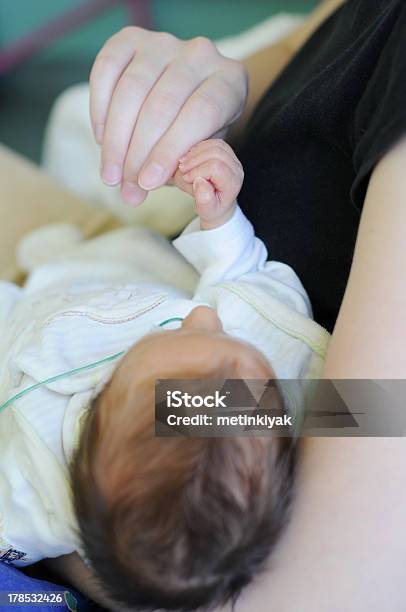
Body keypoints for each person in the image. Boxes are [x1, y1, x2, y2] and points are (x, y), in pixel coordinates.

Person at [22, 0, 406, 609]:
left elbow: (380, 410)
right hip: (141, 245)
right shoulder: (253, 388)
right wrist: (224, 83)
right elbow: (313, 43)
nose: (207, 316)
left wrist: (85, 525)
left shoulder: (270, 402)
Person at [0, 139, 328, 610]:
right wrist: (221, 219)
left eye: (171, 340)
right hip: (108, 272)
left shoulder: (37, 494)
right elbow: (240, 277)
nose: (204, 318)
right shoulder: (262, 396)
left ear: (101, 396)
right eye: (230, 340)